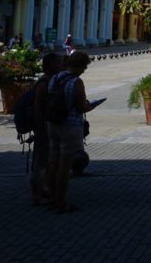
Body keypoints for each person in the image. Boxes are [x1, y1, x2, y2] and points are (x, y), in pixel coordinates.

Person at [47, 51, 92, 213]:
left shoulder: (55, 78)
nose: (84, 70)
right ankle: (60, 202)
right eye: (85, 66)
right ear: (79, 65)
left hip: (53, 123)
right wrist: (89, 106)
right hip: (70, 125)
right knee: (65, 167)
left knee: (54, 162)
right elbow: (81, 107)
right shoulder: (76, 81)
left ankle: (51, 198)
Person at [30, 52, 62, 206]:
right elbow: (37, 108)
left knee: (48, 159)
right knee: (41, 161)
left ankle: (45, 189)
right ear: (50, 65)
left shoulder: (52, 81)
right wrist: (38, 129)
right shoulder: (43, 83)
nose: (61, 66)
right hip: (43, 126)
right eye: (58, 63)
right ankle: (37, 194)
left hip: (49, 125)